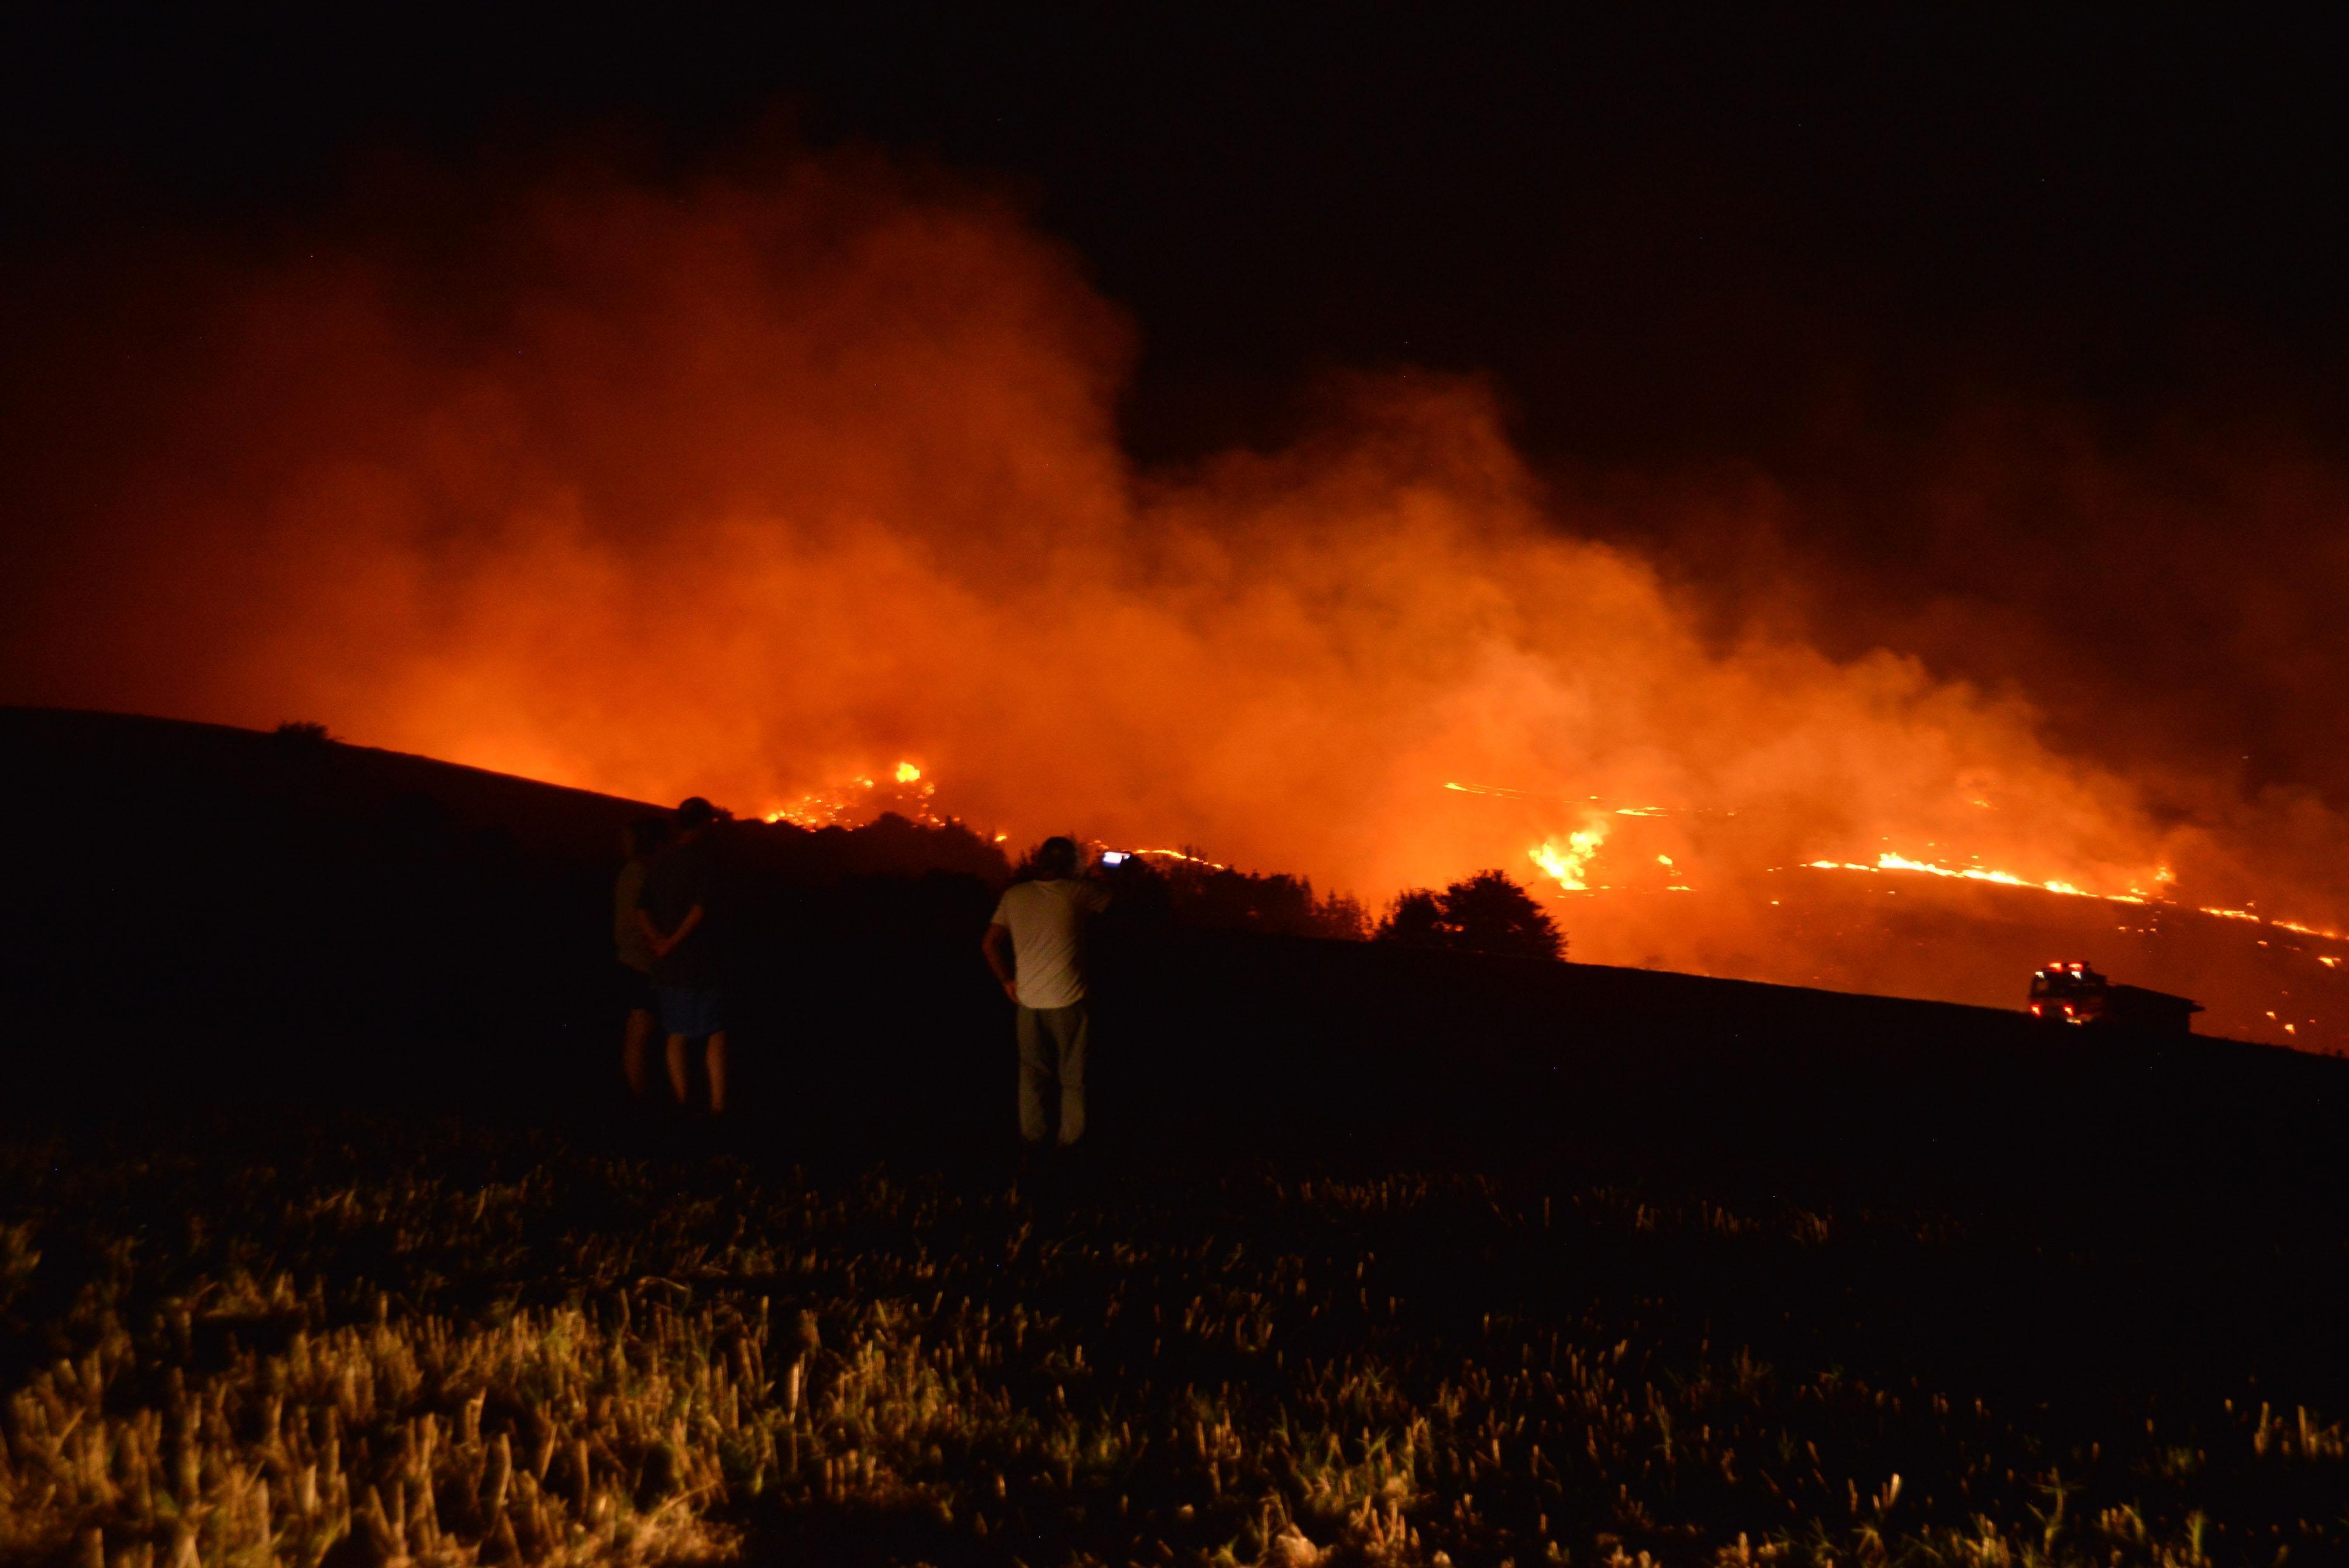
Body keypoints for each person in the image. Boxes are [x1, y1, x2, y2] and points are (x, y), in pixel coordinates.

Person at [981, 836, 1111, 1148]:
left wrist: (1006, 981)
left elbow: (989, 944)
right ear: (1070, 864)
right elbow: (1114, 903)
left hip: (1027, 1002)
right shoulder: (1079, 892)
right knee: (1073, 1078)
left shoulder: (1014, 896)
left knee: (1031, 1076)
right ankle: (1071, 1142)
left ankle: (1033, 1141)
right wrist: (1106, 871)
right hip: (1069, 1001)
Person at [636, 796, 729, 1114]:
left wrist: (659, 942)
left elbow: (641, 908)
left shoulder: (660, 860)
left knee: (676, 1034)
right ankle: (717, 1108)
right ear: (705, 824)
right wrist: (674, 941)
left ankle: (681, 1104)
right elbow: (700, 909)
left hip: (670, 968)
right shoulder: (707, 860)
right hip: (701, 963)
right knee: (714, 1034)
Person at [613, 815, 668, 1099]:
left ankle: (633, 1095)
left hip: (630, 960)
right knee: (642, 1030)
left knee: (636, 1029)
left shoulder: (630, 871)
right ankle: (636, 1097)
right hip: (642, 963)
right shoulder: (645, 874)